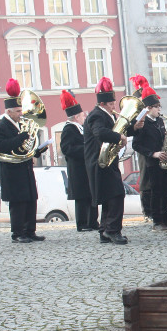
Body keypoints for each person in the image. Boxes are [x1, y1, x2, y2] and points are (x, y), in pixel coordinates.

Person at [0, 78, 49, 243]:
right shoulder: (1, 127)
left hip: (25, 169)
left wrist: (37, 151)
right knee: (18, 205)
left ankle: (30, 231)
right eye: (17, 111)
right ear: (8, 112)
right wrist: (20, 138)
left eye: (21, 110)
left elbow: (25, 149)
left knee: (30, 202)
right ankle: (17, 233)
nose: (21, 114)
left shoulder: (18, 125)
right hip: (13, 172)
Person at [84, 76, 139, 245]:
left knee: (110, 196)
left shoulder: (105, 114)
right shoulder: (97, 116)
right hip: (101, 162)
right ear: (102, 104)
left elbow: (118, 130)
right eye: (111, 104)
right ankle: (112, 230)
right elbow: (100, 132)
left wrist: (133, 129)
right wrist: (119, 136)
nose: (114, 106)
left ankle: (105, 231)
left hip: (107, 161)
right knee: (116, 195)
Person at [131, 85, 167, 233]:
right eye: (156, 107)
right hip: (152, 162)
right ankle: (157, 221)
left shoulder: (159, 121)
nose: (159, 109)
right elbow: (136, 145)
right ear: (148, 108)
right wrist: (153, 153)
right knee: (156, 191)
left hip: (164, 161)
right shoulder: (142, 123)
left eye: (159, 106)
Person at [59, 89, 98, 232]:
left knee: (91, 196)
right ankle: (83, 224)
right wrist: (86, 149)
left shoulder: (80, 128)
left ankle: (93, 222)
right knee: (82, 199)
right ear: (76, 117)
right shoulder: (69, 129)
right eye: (82, 115)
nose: (84, 117)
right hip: (77, 170)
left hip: (86, 168)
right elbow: (67, 148)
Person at [129, 75, 153, 221]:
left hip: (152, 141)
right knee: (145, 177)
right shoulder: (135, 104)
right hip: (143, 143)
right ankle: (147, 209)